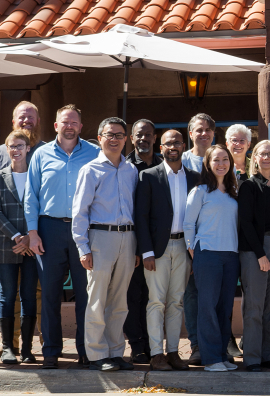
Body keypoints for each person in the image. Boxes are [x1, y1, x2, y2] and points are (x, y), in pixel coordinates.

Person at [25, 104, 100, 369]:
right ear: (56, 126)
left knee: (86, 294)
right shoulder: (40, 155)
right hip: (50, 230)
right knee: (50, 295)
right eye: (64, 122)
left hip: (84, 231)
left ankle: (85, 350)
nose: (69, 126)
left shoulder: (95, 153)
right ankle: (51, 351)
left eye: (74, 123)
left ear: (81, 126)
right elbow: (31, 196)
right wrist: (32, 233)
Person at [72, 117, 139, 373]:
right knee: (97, 299)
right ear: (99, 138)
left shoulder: (131, 170)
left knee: (119, 300)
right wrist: (83, 248)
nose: (114, 139)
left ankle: (115, 351)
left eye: (120, 135)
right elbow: (80, 213)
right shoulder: (90, 170)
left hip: (127, 238)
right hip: (100, 238)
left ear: (126, 139)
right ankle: (97, 354)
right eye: (109, 134)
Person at [0, 100, 38, 361]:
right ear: (13, 121)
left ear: (38, 121)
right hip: (7, 240)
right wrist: (13, 235)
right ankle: (8, 345)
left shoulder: (46, 152)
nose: (26, 121)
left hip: (36, 241)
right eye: (21, 117)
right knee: (9, 294)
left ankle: (35, 346)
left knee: (35, 294)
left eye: (31, 118)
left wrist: (30, 237)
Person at [134, 128, 198, 372]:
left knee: (176, 302)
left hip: (184, 246)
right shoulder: (149, 176)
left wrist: (194, 251)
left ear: (184, 146)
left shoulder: (194, 177)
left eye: (178, 142)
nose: (173, 146)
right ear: (160, 148)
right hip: (157, 250)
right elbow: (141, 216)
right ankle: (156, 354)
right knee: (156, 302)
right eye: (168, 143)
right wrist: (146, 251)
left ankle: (173, 352)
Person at [186, 144, 240, 372]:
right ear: (207, 164)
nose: (221, 164)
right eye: (216, 160)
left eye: (225, 159)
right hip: (207, 254)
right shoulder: (199, 191)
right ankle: (210, 359)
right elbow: (188, 224)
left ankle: (221, 355)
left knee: (225, 307)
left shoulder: (233, 192)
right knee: (207, 306)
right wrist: (193, 250)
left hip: (231, 255)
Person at [238, 139, 270, 371]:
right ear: (254, 158)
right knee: (255, 305)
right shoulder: (248, 186)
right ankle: (252, 358)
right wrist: (260, 253)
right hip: (256, 249)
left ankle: (267, 355)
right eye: (262, 153)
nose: (267, 157)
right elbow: (246, 223)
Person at [180, 112, 215, 364]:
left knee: (215, 293)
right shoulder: (180, 161)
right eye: (199, 129)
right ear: (190, 133)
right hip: (187, 239)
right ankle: (195, 345)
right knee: (191, 293)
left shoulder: (221, 159)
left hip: (217, 239)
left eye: (208, 130)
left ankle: (217, 343)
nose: (204, 133)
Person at [124, 118, 159, 364]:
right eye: (139, 135)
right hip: (131, 242)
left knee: (153, 296)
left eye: (148, 135)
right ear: (132, 138)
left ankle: (153, 343)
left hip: (158, 242)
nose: (143, 139)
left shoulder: (163, 165)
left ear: (154, 138)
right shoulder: (125, 167)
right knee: (133, 296)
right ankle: (137, 344)